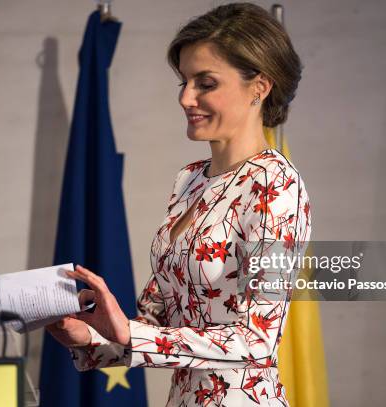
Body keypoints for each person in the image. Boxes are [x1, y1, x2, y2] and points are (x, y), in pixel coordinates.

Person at [46, 2, 311, 405]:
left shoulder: (276, 187)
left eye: (205, 83)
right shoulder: (189, 179)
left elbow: (258, 340)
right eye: (184, 82)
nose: (186, 98)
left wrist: (131, 333)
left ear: (260, 86)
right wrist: (92, 336)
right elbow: (159, 323)